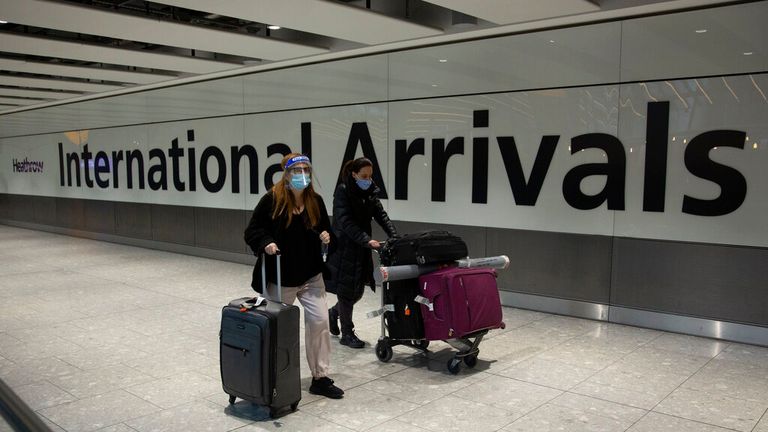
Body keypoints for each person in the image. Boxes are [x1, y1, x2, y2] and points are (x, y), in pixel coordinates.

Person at [244, 153, 344, 399]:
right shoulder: (272, 200)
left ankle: (320, 377)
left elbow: (327, 232)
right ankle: (269, 375)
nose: (302, 175)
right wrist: (266, 242)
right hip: (280, 277)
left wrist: (327, 238)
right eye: (297, 170)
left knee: (319, 322)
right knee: (274, 328)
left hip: (310, 275)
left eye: (306, 170)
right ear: (286, 174)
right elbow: (252, 231)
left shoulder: (315, 201)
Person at [325, 157, 397, 348]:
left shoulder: (370, 191)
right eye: (364, 176)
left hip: (362, 246)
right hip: (344, 247)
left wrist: (394, 234)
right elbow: (345, 221)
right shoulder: (342, 192)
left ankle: (333, 313)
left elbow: (381, 215)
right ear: (354, 174)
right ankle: (347, 334)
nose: (368, 179)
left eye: (370, 176)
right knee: (347, 292)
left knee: (357, 291)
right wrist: (366, 239)